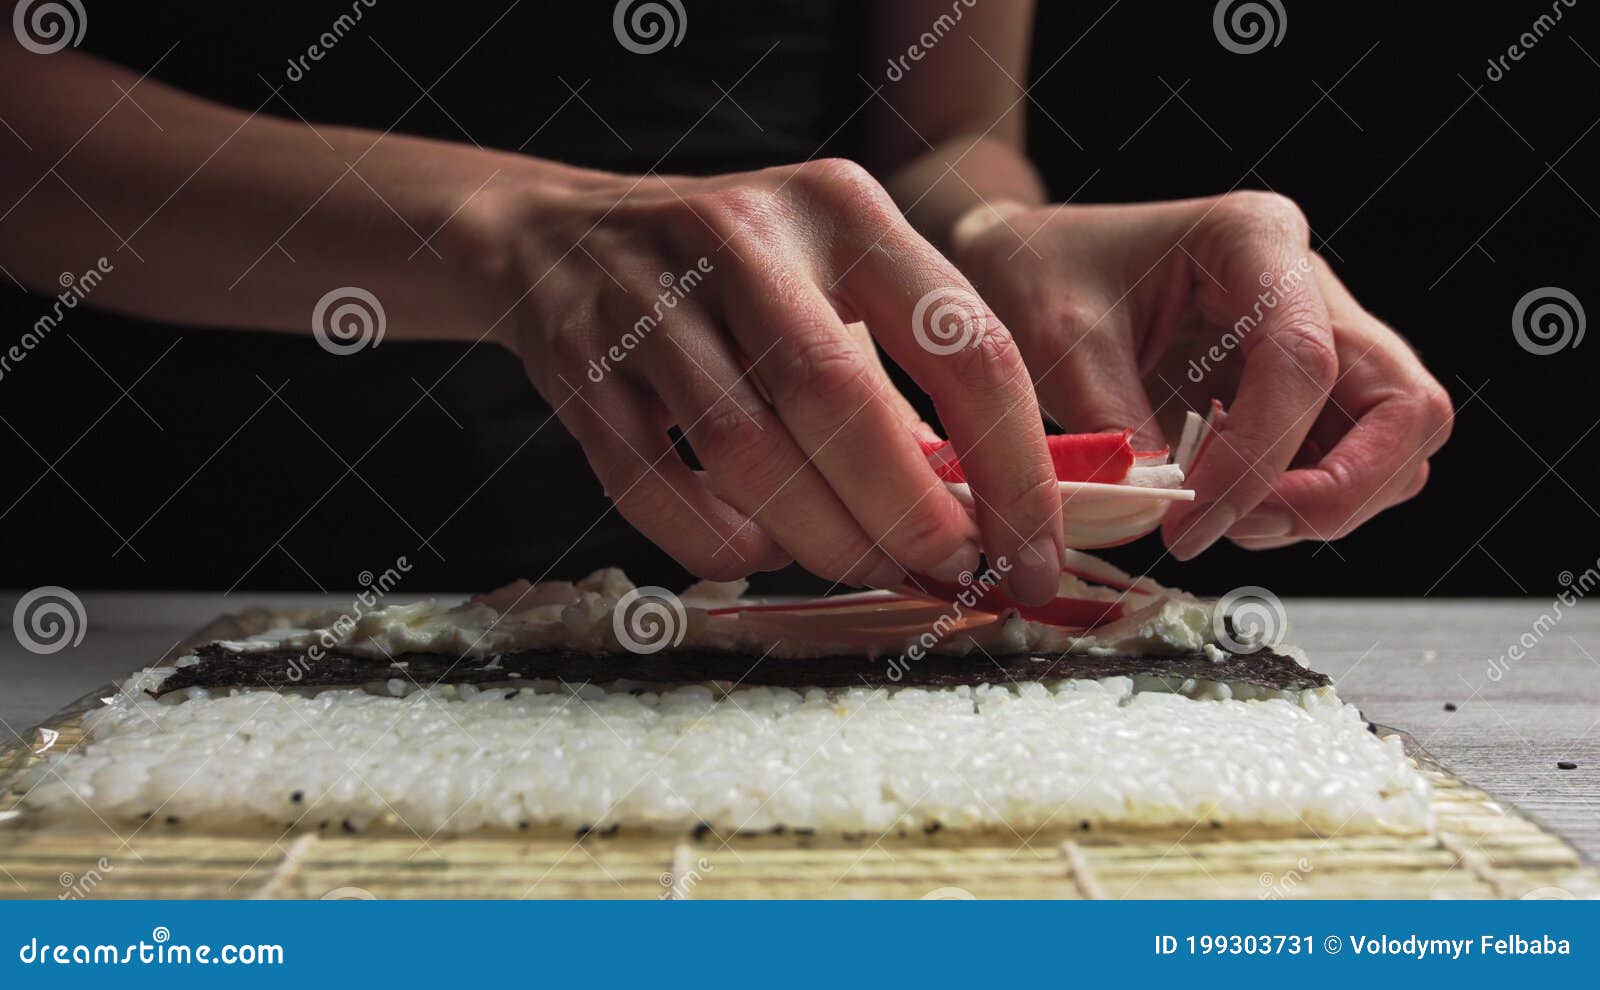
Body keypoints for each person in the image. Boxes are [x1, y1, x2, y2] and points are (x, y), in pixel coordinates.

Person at [0, 2, 1450, 604]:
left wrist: (1002, 240)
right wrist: (527, 237)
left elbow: (941, 135)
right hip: (160, 543)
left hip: (737, 585)